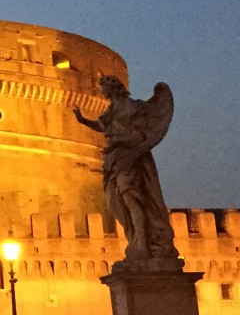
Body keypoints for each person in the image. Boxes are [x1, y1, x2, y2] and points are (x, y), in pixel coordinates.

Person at [74, 77, 178, 263]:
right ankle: (136, 239)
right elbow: (103, 126)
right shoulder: (111, 111)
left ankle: (142, 244)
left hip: (132, 158)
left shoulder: (133, 107)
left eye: (104, 87)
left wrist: (120, 142)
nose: (102, 92)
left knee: (132, 200)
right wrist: (82, 120)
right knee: (115, 202)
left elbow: (140, 135)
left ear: (113, 88)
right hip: (116, 159)